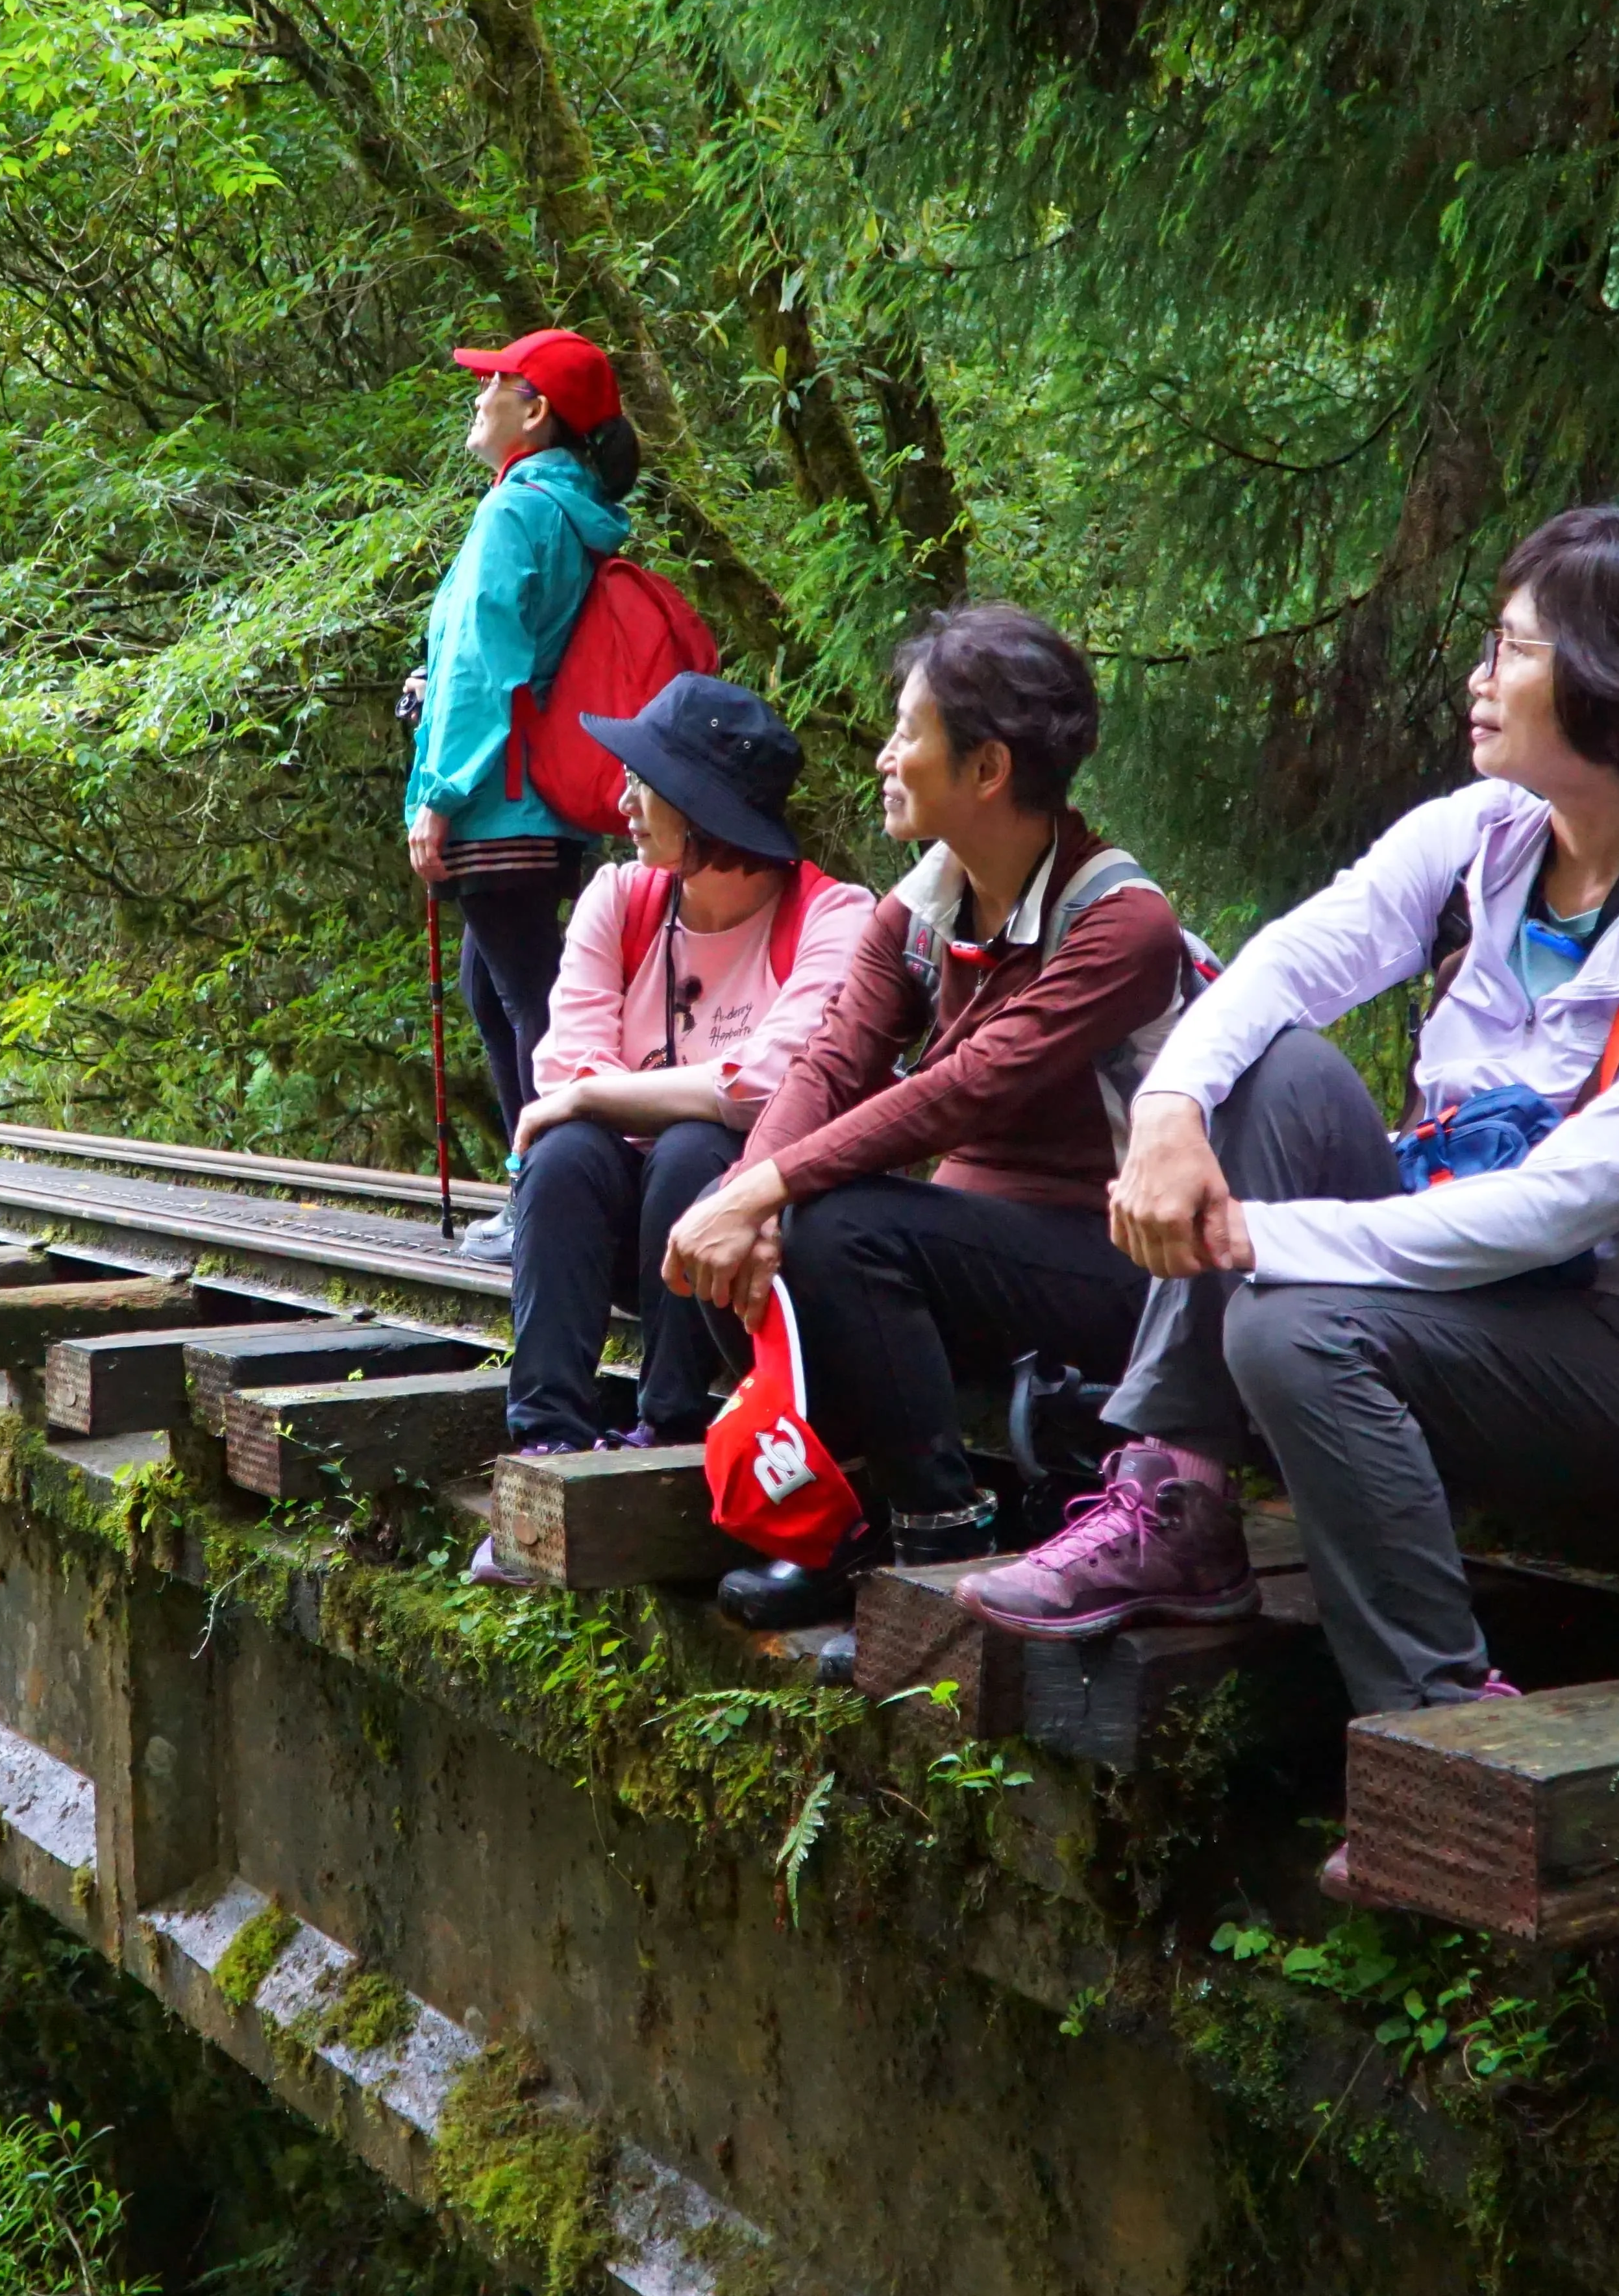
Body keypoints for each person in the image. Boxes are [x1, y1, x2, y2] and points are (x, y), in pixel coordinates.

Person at [956, 508, 1619, 1897]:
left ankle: (1440, 1738)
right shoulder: (1483, 838)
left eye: (1514, 649)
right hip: (1459, 1302)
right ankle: (1178, 1495)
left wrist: (1263, 1238)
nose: (1480, 678)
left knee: (1293, 1329)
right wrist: (1170, 1110)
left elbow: (1564, 1205)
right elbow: (1286, 965)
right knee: (1271, 1068)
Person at [661, 606, 1203, 1629]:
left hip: (1121, 1267)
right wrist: (744, 1197)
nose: (884, 757)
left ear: (987, 769)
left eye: (907, 733)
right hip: (991, 1255)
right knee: (723, 1214)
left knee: (839, 1225)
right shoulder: (922, 908)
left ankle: (941, 1546)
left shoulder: (1122, 925)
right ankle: (844, 1525)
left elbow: (965, 1088)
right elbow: (832, 1063)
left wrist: (768, 1188)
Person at [499, 673, 876, 1478]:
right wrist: (594, 1094)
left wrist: (599, 1094)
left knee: (692, 1149)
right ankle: (546, 1439)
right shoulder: (620, 898)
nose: (623, 802)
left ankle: (668, 1426)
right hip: (619, 1222)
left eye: (645, 783)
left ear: (702, 804)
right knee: (563, 1154)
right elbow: (565, 1065)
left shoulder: (832, 916)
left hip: (743, 1229)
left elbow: (771, 1084)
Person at [408, 327, 643, 1264]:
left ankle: (557, 1206)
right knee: (497, 984)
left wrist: (439, 792)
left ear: (535, 411)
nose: (478, 398)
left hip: (496, 797)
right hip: (543, 795)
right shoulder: (567, 510)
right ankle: (539, 1193)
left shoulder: (514, 511)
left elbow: (484, 660)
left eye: (494, 384)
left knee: (534, 1001)